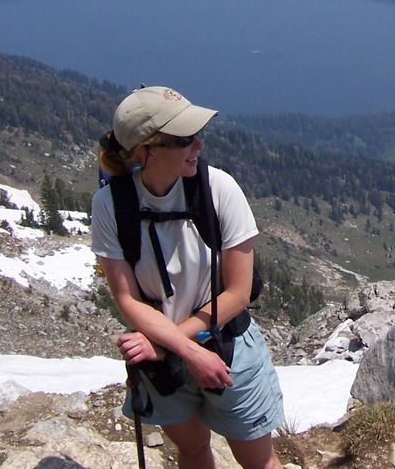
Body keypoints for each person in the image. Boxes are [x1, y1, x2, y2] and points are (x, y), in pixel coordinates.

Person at [91, 85, 284, 469]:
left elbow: (238, 293)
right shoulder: (110, 205)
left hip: (220, 347)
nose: (198, 145)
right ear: (146, 150)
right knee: (193, 451)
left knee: (259, 462)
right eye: (183, 139)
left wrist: (171, 345)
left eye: (197, 135)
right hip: (163, 356)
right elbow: (125, 297)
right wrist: (188, 351)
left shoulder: (219, 189)